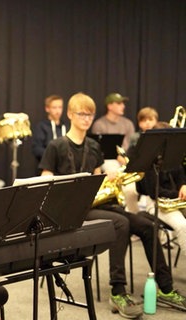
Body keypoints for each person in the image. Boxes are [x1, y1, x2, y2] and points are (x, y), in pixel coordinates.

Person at [39, 92, 186, 318]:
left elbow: (97, 180)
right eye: (81, 114)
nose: (87, 118)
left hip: (96, 204)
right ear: (70, 114)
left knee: (148, 225)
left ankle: (165, 288)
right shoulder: (56, 146)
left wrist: (109, 179)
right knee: (120, 223)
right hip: (70, 212)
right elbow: (45, 181)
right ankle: (118, 291)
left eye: (90, 114)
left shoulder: (93, 146)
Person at [132, 121, 186, 256]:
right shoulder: (148, 161)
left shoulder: (173, 157)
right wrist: (178, 195)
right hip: (157, 203)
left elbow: (181, 176)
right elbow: (155, 192)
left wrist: (184, 186)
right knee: (183, 226)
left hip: (175, 200)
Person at [31, 94, 69, 164]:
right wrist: (53, 155)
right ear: (47, 109)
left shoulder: (66, 126)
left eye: (60, 107)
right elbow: (37, 149)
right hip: (47, 165)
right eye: (54, 108)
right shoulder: (42, 126)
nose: (58, 111)